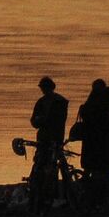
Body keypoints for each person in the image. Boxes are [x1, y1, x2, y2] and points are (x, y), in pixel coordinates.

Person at [29, 77, 68, 208]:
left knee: (57, 167)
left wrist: (42, 120)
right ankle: (42, 194)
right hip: (43, 138)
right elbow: (33, 121)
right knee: (41, 166)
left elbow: (58, 120)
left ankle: (60, 195)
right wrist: (39, 120)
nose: (43, 90)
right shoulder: (41, 102)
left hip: (55, 138)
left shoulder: (60, 101)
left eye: (44, 87)